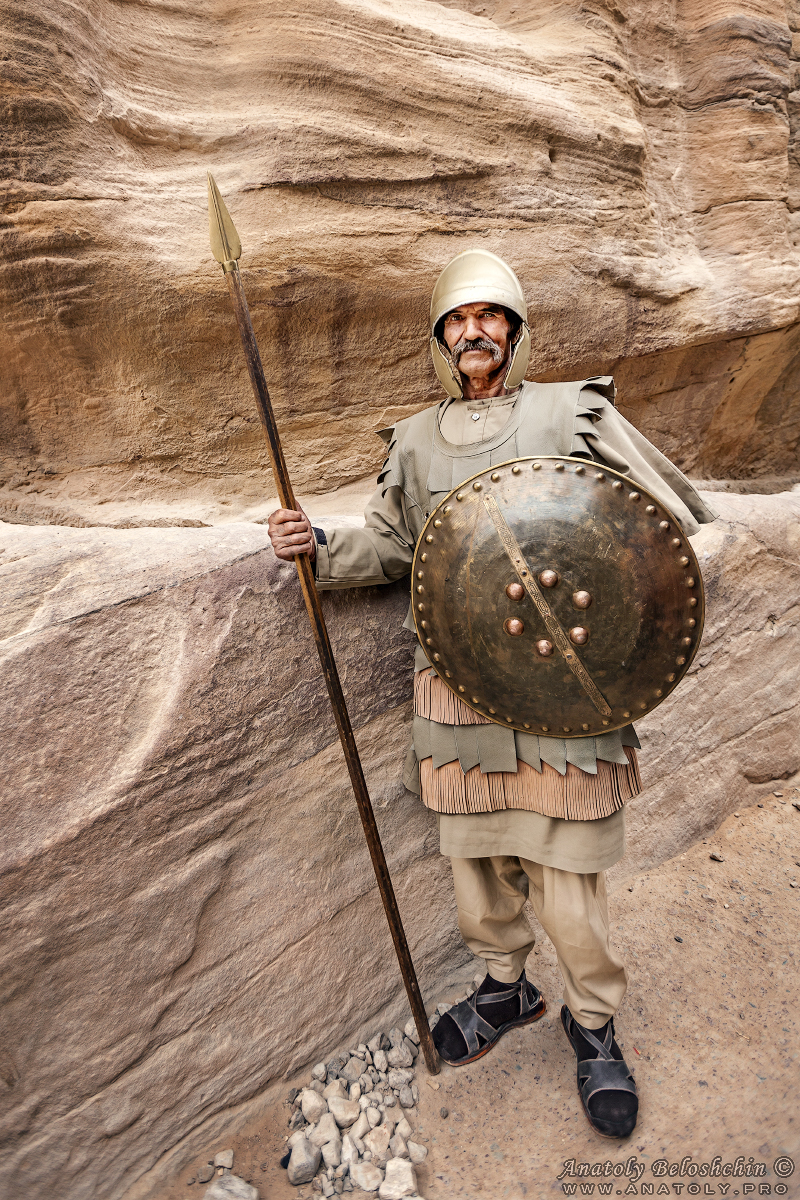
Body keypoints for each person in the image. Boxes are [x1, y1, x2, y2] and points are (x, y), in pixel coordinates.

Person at [268, 250, 715, 1139]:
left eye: (491, 316)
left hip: (565, 691)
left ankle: (594, 1029)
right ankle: (506, 992)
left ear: (514, 330)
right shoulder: (415, 440)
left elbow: (657, 520)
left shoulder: (571, 408)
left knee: (566, 879)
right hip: (463, 686)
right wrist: (315, 541)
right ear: (441, 337)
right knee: (478, 868)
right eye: (458, 319)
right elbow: (393, 548)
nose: (475, 331)